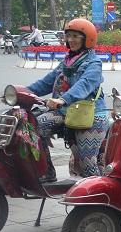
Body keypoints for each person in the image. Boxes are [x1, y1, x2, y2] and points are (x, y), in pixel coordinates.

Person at [25, 18, 107, 178]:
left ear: (87, 39)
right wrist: (21, 92)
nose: (71, 40)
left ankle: (99, 194)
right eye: (68, 35)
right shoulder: (66, 62)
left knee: (87, 164)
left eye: (76, 36)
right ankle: (46, 172)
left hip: (90, 115)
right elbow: (45, 83)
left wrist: (63, 99)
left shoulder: (94, 63)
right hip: (66, 112)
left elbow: (84, 85)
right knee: (34, 126)